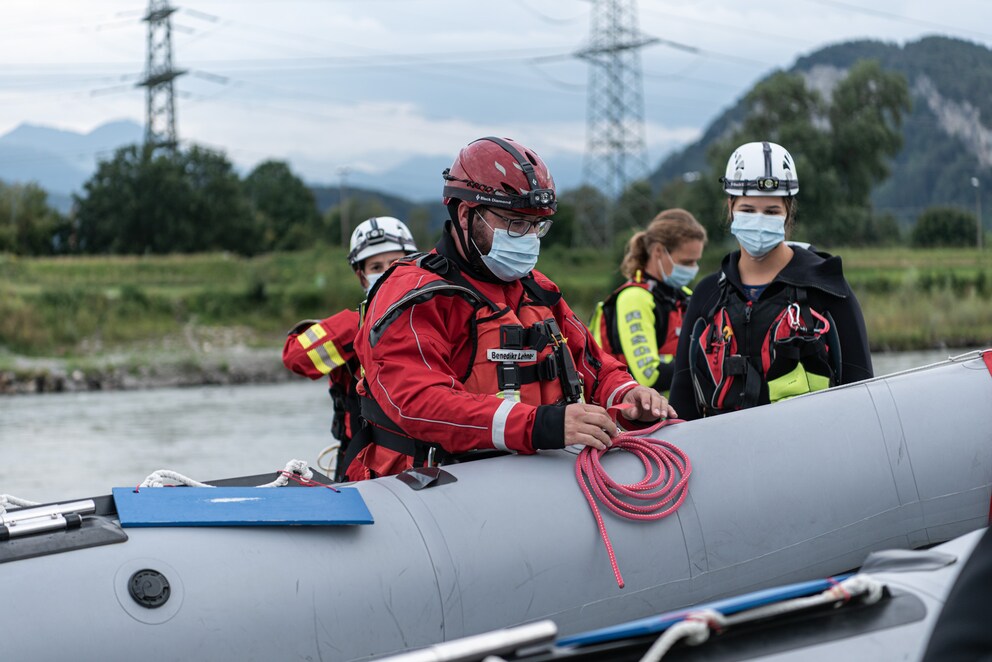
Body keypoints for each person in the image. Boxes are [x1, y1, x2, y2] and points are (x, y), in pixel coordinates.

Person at [346, 136, 675, 481]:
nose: (529, 237)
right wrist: (540, 425)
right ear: (465, 214)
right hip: (434, 485)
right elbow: (417, 401)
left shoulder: (537, 289)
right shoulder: (415, 296)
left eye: (537, 226)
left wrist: (629, 395)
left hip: (531, 479)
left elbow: (593, 364)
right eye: (515, 223)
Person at [667, 140, 873, 420]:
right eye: (748, 210)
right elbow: (683, 404)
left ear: (788, 211)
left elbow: (861, 392)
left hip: (812, 452)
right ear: (730, 208)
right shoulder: (707, 296)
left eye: (771, 211)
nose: (759, 220)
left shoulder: (827, 288)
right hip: (726, 452)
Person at [281, 216, 417, 480]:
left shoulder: (432, 317)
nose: (387, 271)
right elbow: (296, 357)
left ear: (412, 263)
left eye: (395, 263)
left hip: (421, 468)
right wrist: (366, 323)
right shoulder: (351, 327)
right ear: (362, 276)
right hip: (360, 468)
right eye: (376, 266)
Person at [589, 208, 707, 395]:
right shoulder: (634, 298)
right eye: (686, 262)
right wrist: (704, 366)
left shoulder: (684, 294)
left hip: (679, 414)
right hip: (638, 418)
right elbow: (648, 376)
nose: (693, 269)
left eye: (696, 262)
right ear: (659, 251)